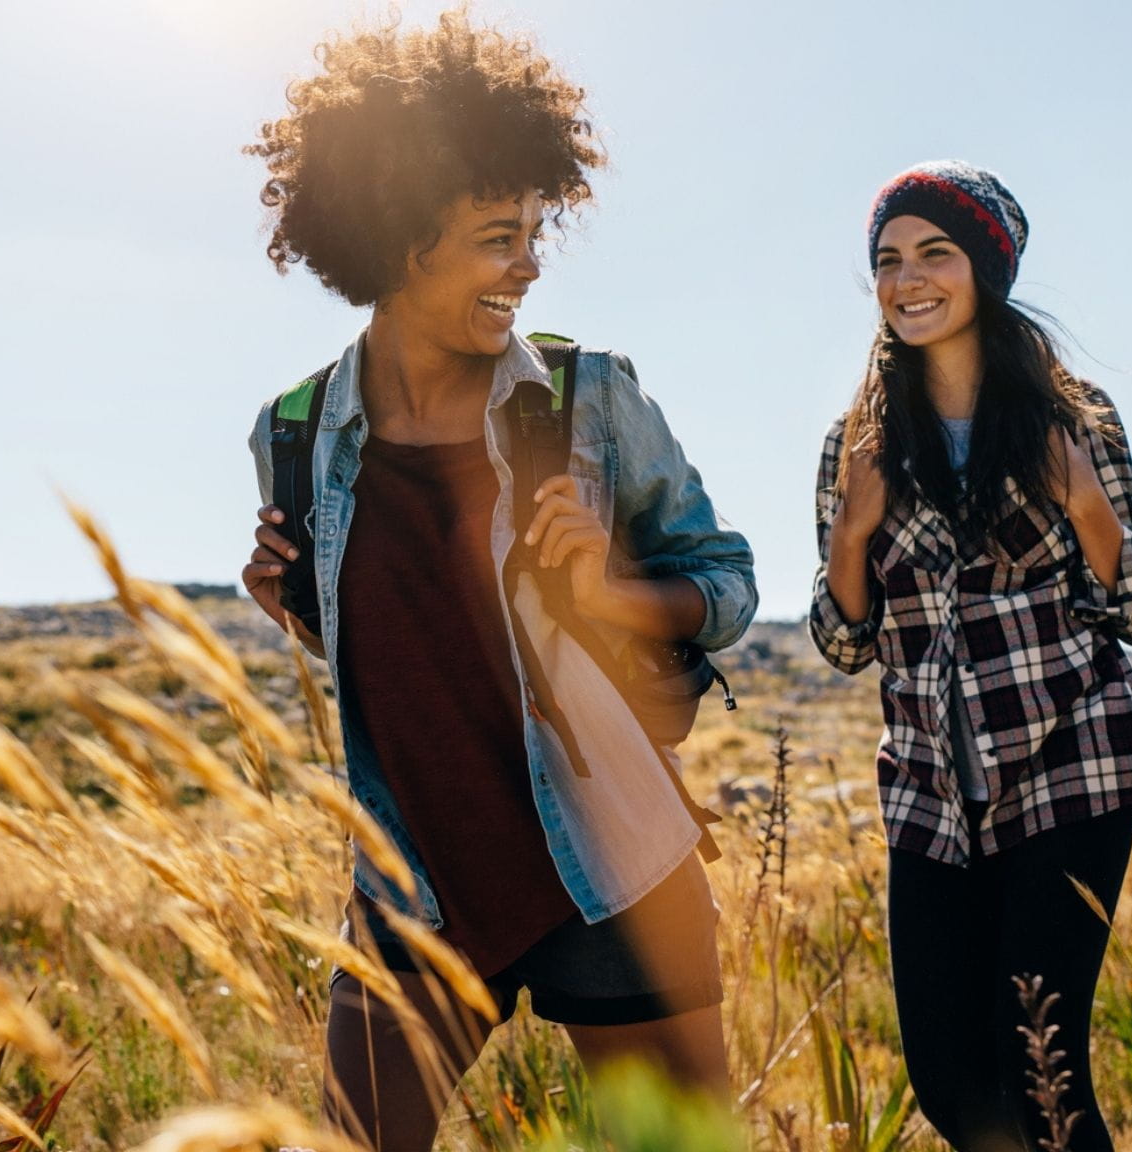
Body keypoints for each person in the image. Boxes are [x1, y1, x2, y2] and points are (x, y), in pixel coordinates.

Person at [233, 16, 756, 1150]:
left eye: (534, 231)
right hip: (413, 879)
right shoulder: (296, 433)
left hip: (609, 862)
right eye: (495, 236)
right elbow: (401, 652)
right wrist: (297, 610)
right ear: (398, 235)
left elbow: (725, 580)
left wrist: (615, 595)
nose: (528, 263)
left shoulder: (588, 399)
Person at [809, 161, 1132, 1152]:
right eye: (888, 259)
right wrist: (852, 533)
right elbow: (845, 642)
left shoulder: (1075, 417)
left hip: (1072, 770)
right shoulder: (857, 441)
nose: (907, 277)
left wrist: (1086, 506)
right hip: (931, 797)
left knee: (1040, 1071)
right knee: (948, 1083)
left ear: (986, 268)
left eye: (935, 252)